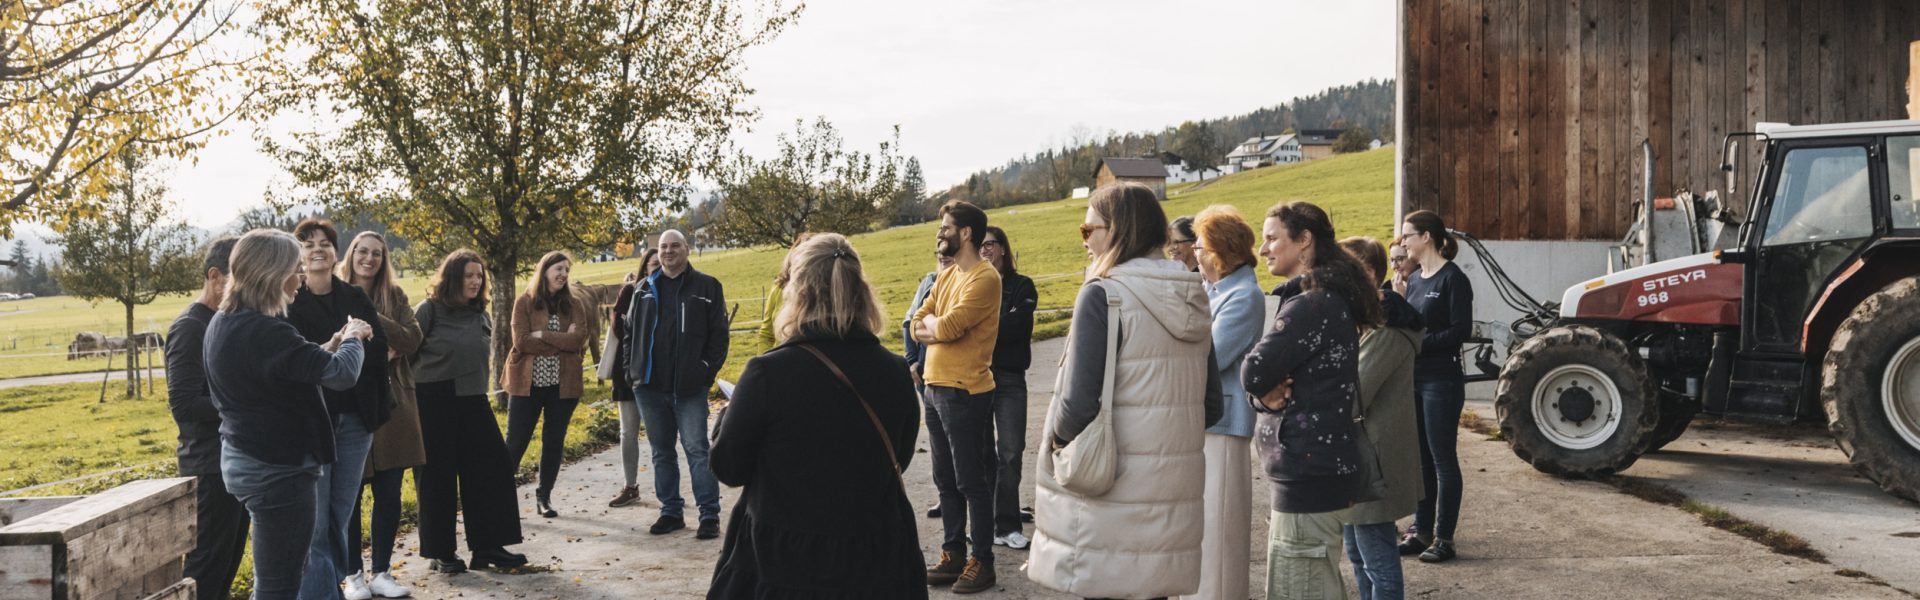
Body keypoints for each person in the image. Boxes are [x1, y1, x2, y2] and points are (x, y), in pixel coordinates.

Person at [1029, 182, 1222, 600]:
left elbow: (1078, 406)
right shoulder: (1192, 295)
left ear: (1117, 230)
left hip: (1112, 494)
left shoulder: (1103, 295)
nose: (1084, 240)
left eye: (1088, 229)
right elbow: (1211, 407)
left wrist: (1058, 443)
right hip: (1171, 494)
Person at [708, 234, 927, 599]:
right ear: (861, 290)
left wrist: (727, 417)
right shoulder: (894, 371)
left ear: (799, 293)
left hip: (784, 561)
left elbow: (728, 467)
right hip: (875, 558)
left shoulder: (767, 373)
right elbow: (898, 460)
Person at [206, 229, 371, 600]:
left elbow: (285, 366)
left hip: (248, 460)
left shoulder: (226, 321)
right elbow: (342, 375)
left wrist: (326, 346)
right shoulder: (266, 330)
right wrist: (353, 338)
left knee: (278, 575)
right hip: (278, 470)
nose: (300, 279)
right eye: (294, 269)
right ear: (271, 272)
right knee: (280, 585)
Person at [1242, 201, 1383, 600]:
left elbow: (1253, 372)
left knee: (1300, 589)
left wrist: (1263, 391)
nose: (1264, 249)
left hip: (1307, 474)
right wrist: (1266, 399)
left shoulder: (1312, 304)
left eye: (1272, 238)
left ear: (1304, 241)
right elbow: (1265, 384)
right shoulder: (1319, 299)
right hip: (1311, 471)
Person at [285, 218, 392, 600]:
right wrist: (349, 341)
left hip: (355, 420)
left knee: (339, 514)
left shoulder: (354, 297)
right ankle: (316, 593)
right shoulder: (290, 302)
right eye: (309, 243)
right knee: (314, 521)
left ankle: (329, 588)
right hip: (313, 422)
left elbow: (380, 350)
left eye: (325, 243)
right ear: (298, 253)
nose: (318, 249)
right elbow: (299, 363)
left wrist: (355, 346)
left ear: (335, 252)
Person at [413, 250, 527, 573]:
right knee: (437, 476)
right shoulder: (429, 310)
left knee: (491, 469)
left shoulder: (482, 314)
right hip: (433, 399)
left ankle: (487, 547)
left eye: (480, 276)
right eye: (469, 275)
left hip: (473, 398)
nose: (476, 281)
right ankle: (440, 552)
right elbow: (407, 352)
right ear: (452, 278)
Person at [911, 200, 1002, 594]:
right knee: (944, 479)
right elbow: (917, 321)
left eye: (946, 227)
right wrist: (932, 325)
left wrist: (934, 326)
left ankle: (982, 561)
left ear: (966, 233)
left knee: (971, 481)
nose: (940, 233)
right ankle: (953, 554)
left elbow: (947, 327)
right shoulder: (947, 276)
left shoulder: (985, 278)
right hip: (933, 389)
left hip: (965, 392)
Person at [624, 229, 731, 539]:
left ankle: (709, 514)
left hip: (689, 388)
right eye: (663, 247)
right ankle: (670, 511)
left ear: (687, 249)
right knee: (661, 452)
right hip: (650, 387)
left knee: (697, 449)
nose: (668, 252)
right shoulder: (643, 288)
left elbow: (719, 337)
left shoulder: (707, 287)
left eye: (674, 246)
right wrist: (633, 373)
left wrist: (704, 372)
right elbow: (629, 333)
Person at [1180, 205, 1263, 600]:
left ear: (1219, 251)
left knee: (1221, 527)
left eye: (1198, 245)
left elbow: (1209, 355)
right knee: (1204, 527)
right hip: (1208, 423)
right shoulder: (1217, 290)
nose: (1193, 252)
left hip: (1226, 423)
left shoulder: (1243, 296)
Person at [337, 232, 426, 600]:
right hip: (351, 403)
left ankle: (383, 572)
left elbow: (411, 338)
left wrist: (373, 318)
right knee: (350, 494)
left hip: (393, 406)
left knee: (389, 491)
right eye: (362, 251)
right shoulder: (335, 293)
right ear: (351, 253)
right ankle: (352, 574)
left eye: (377, 253)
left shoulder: (395, 295)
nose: (369, 259)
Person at [1339, 236, 1425, 600]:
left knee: (1377, 561)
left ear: (1369, 274)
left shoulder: (1386, 330)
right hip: (1360, 458)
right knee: (1359, 555)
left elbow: (1353, 397)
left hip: (1375, 460)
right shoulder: (1366, 322)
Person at [166, 236, 247, 600]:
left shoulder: (226, 321)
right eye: (239, 277)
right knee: (207, 566)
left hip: (235, 460)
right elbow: (184, 405)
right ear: (215, 276)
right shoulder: (190, 327)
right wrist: (244, 401)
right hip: (207, 466)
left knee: (228, 562)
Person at [1397, 209, 1473, 563]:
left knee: (1443, 459)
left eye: (1407, 236)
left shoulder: (1452, 279)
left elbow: (1460, 331)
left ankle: (1445, 538)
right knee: (1421, 460)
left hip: (1441, 380)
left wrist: (1418, 343)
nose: (1402, 243)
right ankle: (1421, 530)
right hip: (1414, 378)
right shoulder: (1414, 280)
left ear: (1426, 237)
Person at [504, 250, 598, 519]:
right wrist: (560, 342)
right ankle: (500, 495)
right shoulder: (524, 303)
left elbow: (579, 340)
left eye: (567, 270)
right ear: (544, 270)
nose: (563, 274)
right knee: (516, 442)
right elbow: (521, 342)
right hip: (527, 385)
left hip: (563, 386)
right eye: (558, 269)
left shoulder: (575, 305)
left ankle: (543, 496)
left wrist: (543, 336)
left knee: (553, 441)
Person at [980, 226, 1037, 551]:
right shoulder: (972, 284)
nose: (985, 249)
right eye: (982, 245)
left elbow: (1018, 327)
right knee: (984, 453)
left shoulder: (1021, 285)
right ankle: (988, 526)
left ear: (1003, 248)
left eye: (991, 244)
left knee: (1011, 453)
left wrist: (982, 326)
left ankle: (1008, 525)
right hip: (979, 375)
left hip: (1011, 379)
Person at [607, 248, 661, 508]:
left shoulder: (671, 292)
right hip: (628, 373)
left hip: (658, 374)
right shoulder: (630, 292)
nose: (659, 268)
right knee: (628, 432)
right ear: (645, 266)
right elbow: (618, 325)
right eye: (654, 264)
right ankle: (631, 486)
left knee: (659, 433)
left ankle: (666, 489)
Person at [905, 250, 954, 520]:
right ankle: (945, 498)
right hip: (925, 374)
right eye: (939, 253)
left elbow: (949, 329)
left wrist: (930, 325)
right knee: (939, 445)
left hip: (955, 376)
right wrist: (912, 360)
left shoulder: (969, 282)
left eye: (948, 253)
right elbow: (910, 322)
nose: (943, 256)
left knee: (964, 446)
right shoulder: (929, 281)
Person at [754, 232, 813, 349]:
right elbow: (766, 334)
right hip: (781, 361)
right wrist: (766, 363)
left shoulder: (827, 291)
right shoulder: (778, 289)